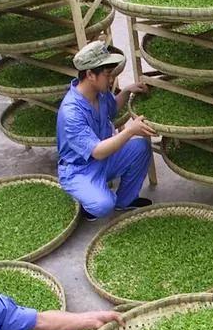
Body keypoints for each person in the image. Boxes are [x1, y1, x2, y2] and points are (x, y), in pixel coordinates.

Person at [57, 40, 156, 221]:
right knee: (103, 205)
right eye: (108, 74)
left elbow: (112, 109)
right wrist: (129, 131)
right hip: (79, 169)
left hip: (104, 159)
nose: (111, 79)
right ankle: (85, 200)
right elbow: (97, 151)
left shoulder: (99, 92)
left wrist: (127, 91)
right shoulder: (71, 112)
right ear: (90, 74)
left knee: (141, 147)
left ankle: (125, 201)